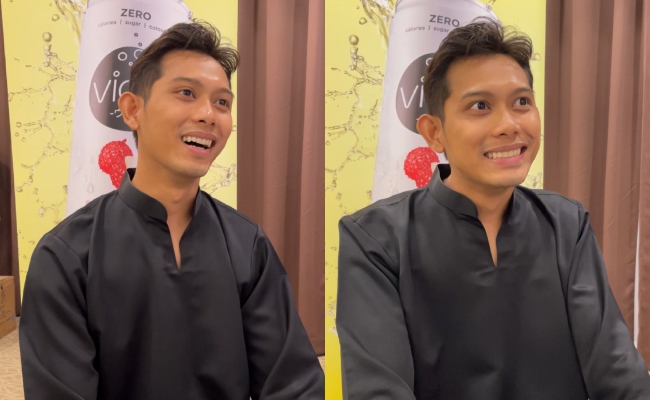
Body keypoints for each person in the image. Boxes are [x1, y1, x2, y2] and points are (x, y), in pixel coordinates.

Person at [336, 19, 650, 400]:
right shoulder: (375, 240)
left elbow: (618, 374)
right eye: (480, 106)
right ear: (434, 131)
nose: (509, 125)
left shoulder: (567, 225)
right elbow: (378, 390)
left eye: (521, 102)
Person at [20, 22, 324, 400]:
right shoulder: (66, 256)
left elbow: (293, 384)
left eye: (222, 102)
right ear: (133, 110)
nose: (208, 114)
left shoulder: (248, 245)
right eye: (186, 93)